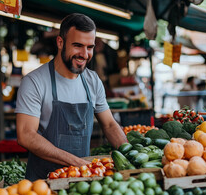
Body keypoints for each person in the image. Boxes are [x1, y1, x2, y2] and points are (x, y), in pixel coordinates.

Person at [15, 13, 127, 181]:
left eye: (89, 47)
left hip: (82, 183)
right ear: (60, 42)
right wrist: (77, 163)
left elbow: (110, 125)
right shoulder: (35, 82)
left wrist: (130, 157)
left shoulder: (92, 81)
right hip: (43, 185)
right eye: (77, 46)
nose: (84, 54)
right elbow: (25, 134)